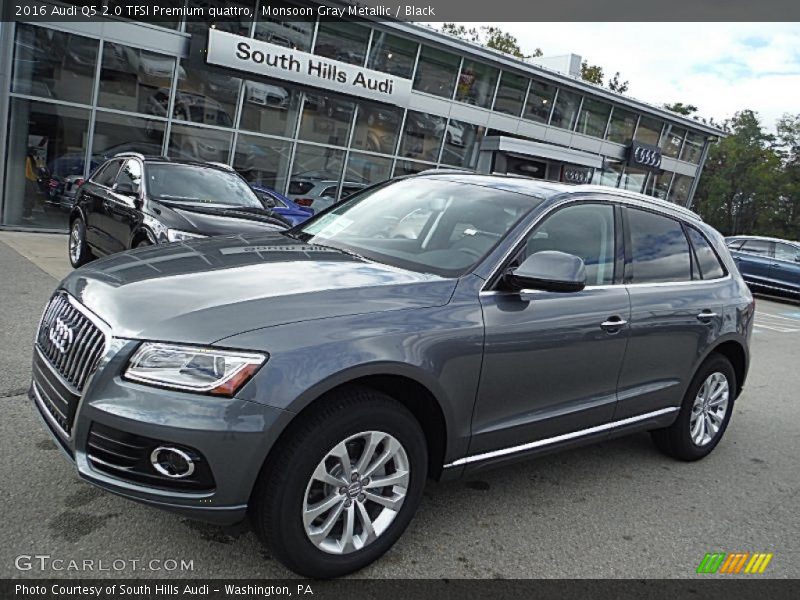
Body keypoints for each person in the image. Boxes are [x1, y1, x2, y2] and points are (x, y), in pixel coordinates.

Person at [23, 150, 39, 221]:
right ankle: (27, 214)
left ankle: (28, 214)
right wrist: (37, 177)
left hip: (30, 180)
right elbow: (29, 172)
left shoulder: (30, 159)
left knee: (30, 197)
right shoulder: (29, 159)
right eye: (35, 155)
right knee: (30, 197)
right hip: (29, 180)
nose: (36, 157)